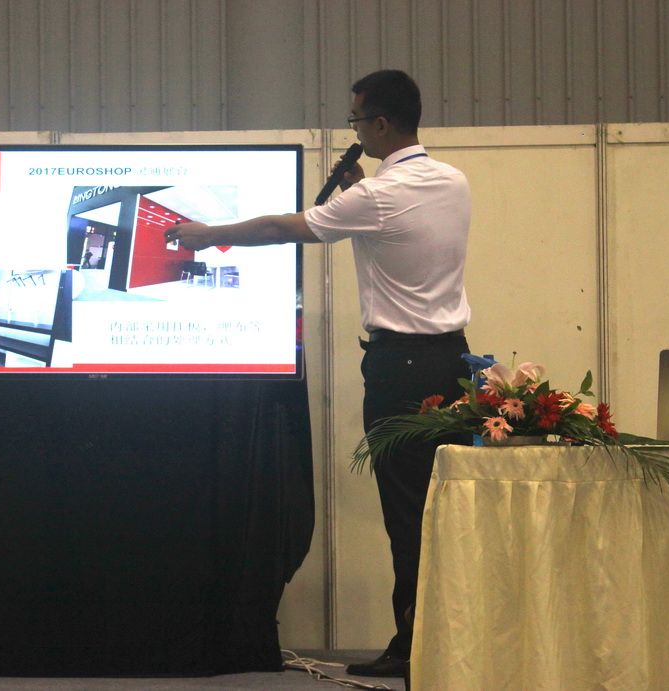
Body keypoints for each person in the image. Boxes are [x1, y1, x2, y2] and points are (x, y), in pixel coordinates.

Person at [166, 69, 471, 678]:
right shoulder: (451, 180)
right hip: (453, 362)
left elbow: (281, 228)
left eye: (356, 120)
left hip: (401, 368)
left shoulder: (377, 196)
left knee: (405, 511)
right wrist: (357, 192)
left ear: (380, 123)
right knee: (439, 506)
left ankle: (412, 648)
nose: (353, 131)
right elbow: (397, 228)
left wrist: (208, 235)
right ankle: (447, 639)